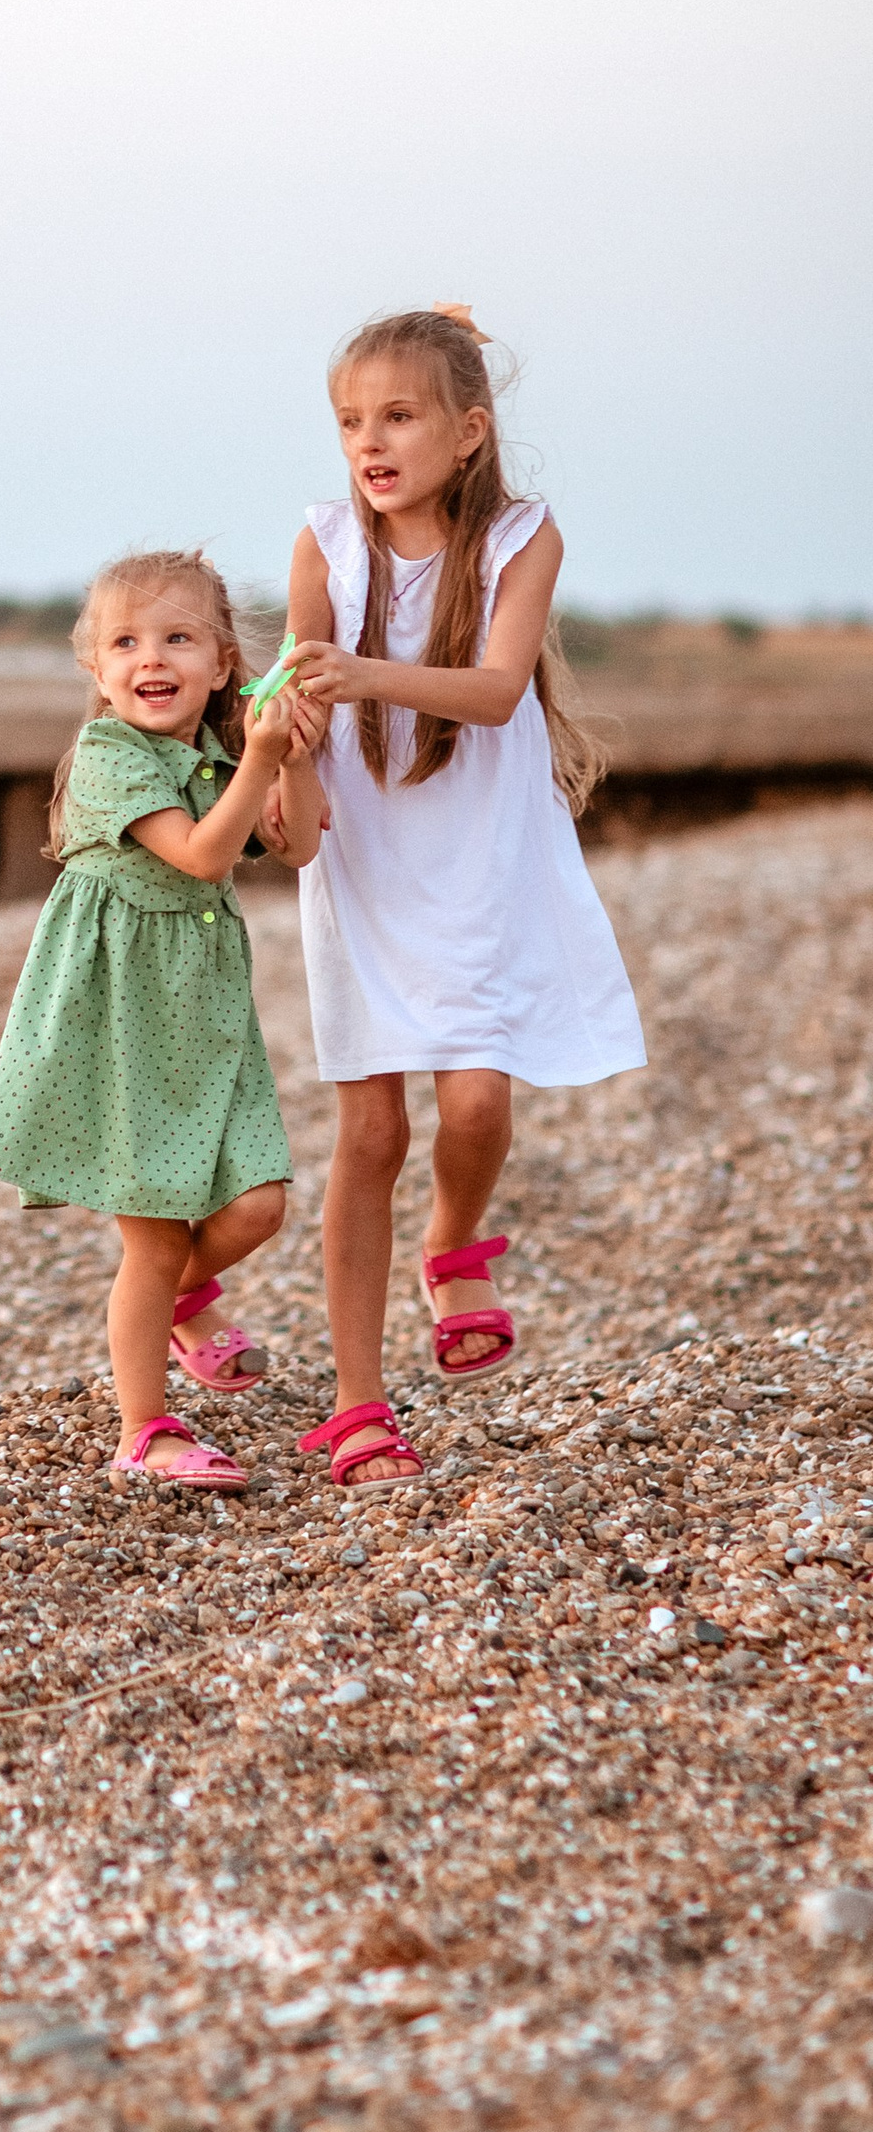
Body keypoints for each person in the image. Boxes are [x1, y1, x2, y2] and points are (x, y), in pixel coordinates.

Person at [282, 306, 645, 1492]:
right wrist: (288, 773)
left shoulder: (518, 541)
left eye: (397, 416)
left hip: (482, 846)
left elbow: (494, 691)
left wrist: (360, 671)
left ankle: (453, 1240)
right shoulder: (325, 544)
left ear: (468, 431)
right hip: (368, 849)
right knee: (372, 1128)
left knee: (478, 1099)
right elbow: (299, 703)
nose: (368, 443)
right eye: (349, 421)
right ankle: (356, 1401)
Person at [0, 551, 329, 1493]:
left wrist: (293, 754)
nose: (150, 658)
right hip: (123, 1021)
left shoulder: (213, 754)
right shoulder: (109, 756)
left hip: (206, 1021)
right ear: (95, 669)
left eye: (177, 639)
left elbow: (297, 842)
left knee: (259, 1205)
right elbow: (204, 857)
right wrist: (258, 759)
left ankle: (179, 1301)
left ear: (220, 664)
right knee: (156, 1236)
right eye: (125, 642)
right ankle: (146, 1429)